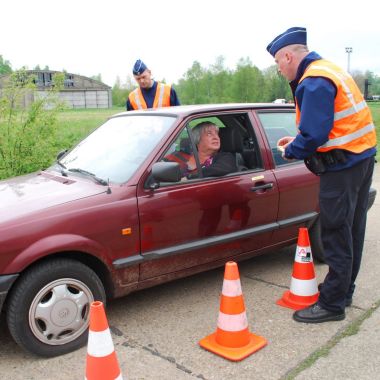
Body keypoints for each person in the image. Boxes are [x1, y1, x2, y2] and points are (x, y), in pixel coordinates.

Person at [266, 27, 377, 323]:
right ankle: (343, 290)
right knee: (352, 229)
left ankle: (332, 304)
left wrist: (292, 151)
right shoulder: (328, 70)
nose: (280, 69)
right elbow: (330, 125)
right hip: (360, 159)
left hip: (341, 167)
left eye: (278, 63)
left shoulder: (313, 80)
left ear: (288, 56)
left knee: (336, 233)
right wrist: (300, 141)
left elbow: (314, 134)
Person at [164, 122, 237, 179]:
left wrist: (189, 177)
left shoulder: (225, 157)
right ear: (198, 139)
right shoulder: (177, 156)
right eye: (209, 134)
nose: (216, 137)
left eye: (217, 134)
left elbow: (219, 169)